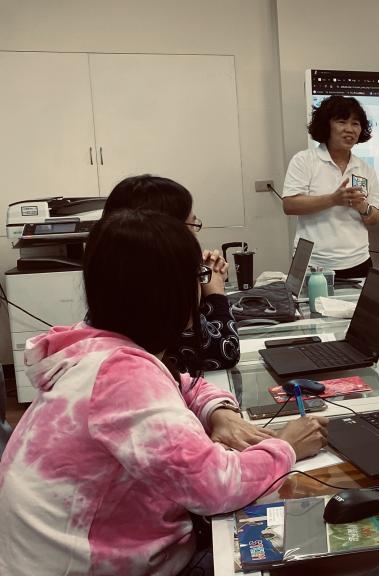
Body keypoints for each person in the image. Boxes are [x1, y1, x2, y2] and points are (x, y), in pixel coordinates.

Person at [0, 210, 328, 575]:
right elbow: (215, 488)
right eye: (197, 277)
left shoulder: (92, 346)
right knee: (306, 543)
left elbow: (181, 382)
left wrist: (218, 411)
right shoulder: (123, 378)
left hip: (56, 555)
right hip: (96, 566)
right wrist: (287, 446)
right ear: (170, 292)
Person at [102, 175, 240, 374]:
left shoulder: (115, 283)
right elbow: (225, 351)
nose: (194, 237)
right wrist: (215, 291)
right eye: (192, 225)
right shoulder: (158, 300)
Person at [283, 95, 379, 279]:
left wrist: (363, 207)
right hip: (312, 262)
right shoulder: (304, 160)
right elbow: (289, 205)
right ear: (326, 125)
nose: (349, 129)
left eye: (355, 123)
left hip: (358, 261)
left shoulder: (365, 169)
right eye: (342, 122)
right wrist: (333, 199)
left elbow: (374, 217)